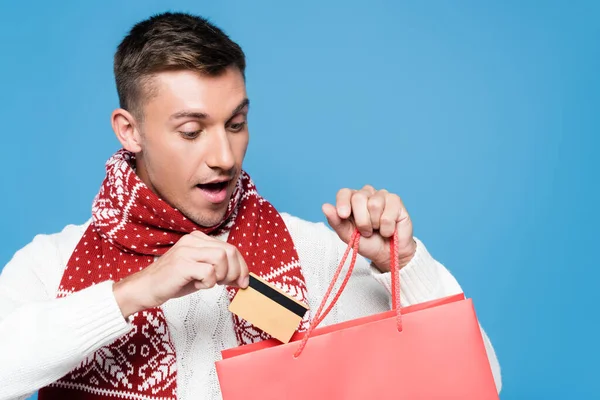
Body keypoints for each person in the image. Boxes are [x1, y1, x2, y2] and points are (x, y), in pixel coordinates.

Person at [0, 11, 501, 400]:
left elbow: (477, 381)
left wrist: (403, 265)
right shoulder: (52, 263)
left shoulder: (312, 253)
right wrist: (135, 292)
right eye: (192, 131)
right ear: (129, 131)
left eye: (235, 124)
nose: (223, 157)